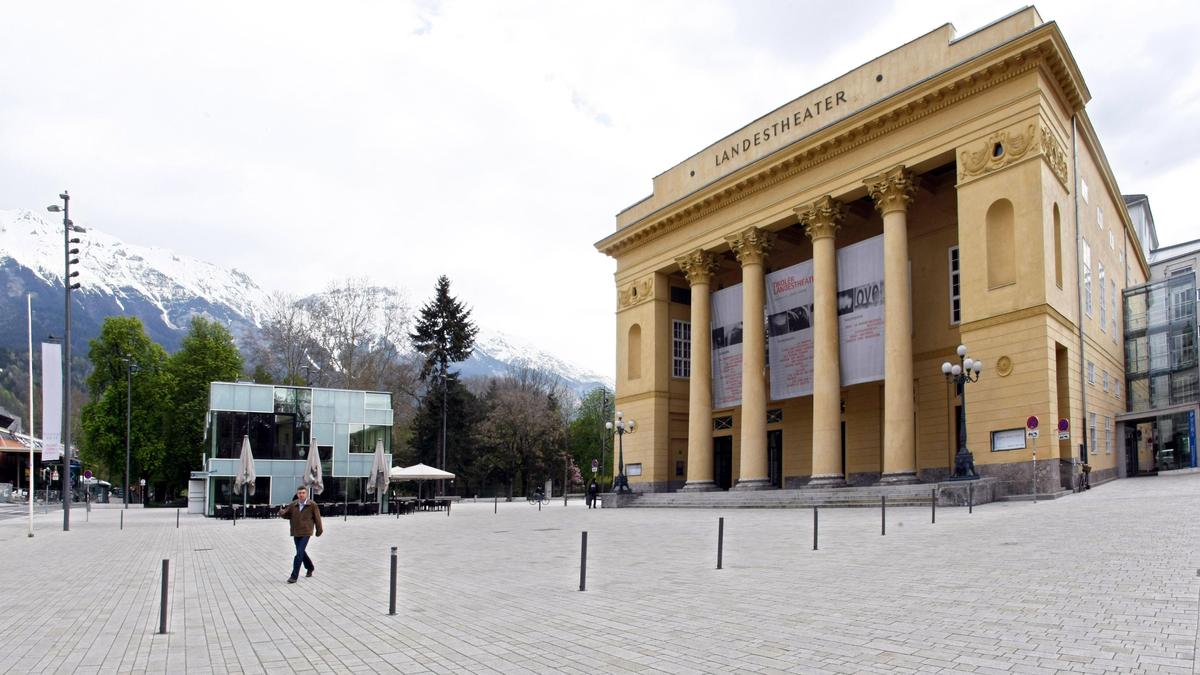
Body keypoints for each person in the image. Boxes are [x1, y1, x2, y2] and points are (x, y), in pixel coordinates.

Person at [278, 485, 323, 584]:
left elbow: (317, 518)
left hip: (306, 532)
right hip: (295, 531)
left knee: (298, 554)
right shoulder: (293, 504)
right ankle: (310, 567)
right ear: (297, 494)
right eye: (299, 493)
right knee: (301, 552)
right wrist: (281, 513)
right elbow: (287, 515)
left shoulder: (312, 505)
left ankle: (294, 576)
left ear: (306, 493)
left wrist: (319, 530)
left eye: (303, 493)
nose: (301, 495)